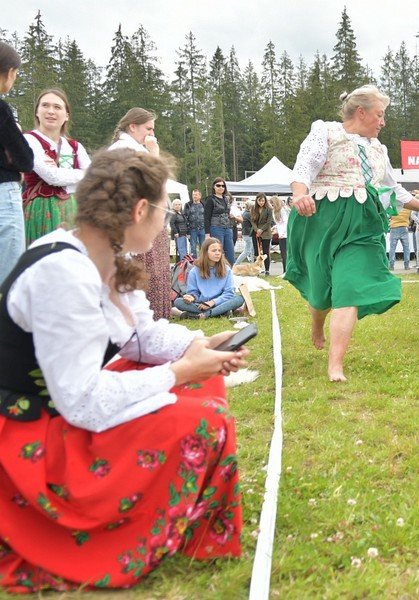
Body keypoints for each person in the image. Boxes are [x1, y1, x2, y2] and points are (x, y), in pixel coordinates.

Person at [0, 149, 247, 593]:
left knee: (204, 378)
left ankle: (165, 510)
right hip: (32, 432)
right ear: (139, 211)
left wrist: (198, 346)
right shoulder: (63, 272)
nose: (165, 224)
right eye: (164, 214)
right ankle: (117, 525)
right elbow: (81, 401)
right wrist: (179, 373)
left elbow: (141, 337)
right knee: (204, 418)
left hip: (62, 409)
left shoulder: (105, 254)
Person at [286, 84, 419, 381]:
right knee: (320, 294)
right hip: (322, 220)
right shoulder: (326, 131)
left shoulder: (379, 149)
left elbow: (393, 189)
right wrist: (299, 195)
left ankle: (335, 365)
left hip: (362, 225)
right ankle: (317, 322)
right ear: (361, 112)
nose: (383, 122)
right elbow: (304, 167)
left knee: (349, 289)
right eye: (380, 114)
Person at [108, 107, 171, 320]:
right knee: (144, 273)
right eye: (148, 129)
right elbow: (153, 183)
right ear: (132, 126)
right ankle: (145, 320)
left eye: (153, 129)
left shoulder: (135, 148)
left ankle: (155, 320)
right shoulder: (123, 149)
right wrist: (154, 153)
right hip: (136, 221)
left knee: (155, 273)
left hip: (147, 218)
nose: (152, 134)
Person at [22, 88, 91, 244]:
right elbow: (52, 177)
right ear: (37, 112)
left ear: (66, 115)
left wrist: (61, 173)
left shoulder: (75, 146)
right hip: (41, 210)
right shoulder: (29, 140)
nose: (51, 111)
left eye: (57, 107)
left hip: (72, 209)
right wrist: (82, 173)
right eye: (45, 105)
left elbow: (94, 176)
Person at [0, 42, 33, 285]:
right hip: (3, 193)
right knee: (8, 277)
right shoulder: (1, 110)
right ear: (9, 72)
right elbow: (25, 159)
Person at [173, 237, 245, 319]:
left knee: (240, 298)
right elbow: (193, 292)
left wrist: (213, 302)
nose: (218, 253)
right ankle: (220, 312)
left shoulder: (226, 269)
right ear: (205, 252)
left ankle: (205, 314)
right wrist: (191, 297)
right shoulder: (194, 271)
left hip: (220, 302)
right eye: (214, 250)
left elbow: (229, 293)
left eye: (219, 251)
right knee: (178, 302)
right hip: (201, 304)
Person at [203, 178, 235, 265]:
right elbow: (206, 217)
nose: (221, 187)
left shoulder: (226, 199)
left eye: (223, 186)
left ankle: (229, 271)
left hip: (228, 228)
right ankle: (216, 271)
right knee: (217, 253)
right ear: (214, 187)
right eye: (218, 185)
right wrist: (207, 234)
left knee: (231, 255)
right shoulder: (210, 199)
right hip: (216, 228)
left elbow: (227, 212)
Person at [250, 192, 273, 275]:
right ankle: (256, 270)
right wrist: (257, 230)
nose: (261, 202)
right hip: (255, 232)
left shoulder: (269, 209)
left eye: (263, 201)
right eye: (259, 201)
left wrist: (261, 230)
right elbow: (252, 220)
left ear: (265, 200)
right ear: (256, 200)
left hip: (266, 233)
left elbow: (269, 222)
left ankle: (267, 270)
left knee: (266, 251)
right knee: (256, 251)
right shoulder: (253, 208)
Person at [388, 201, 412, 269]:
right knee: (406, 248)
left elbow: (389, 216)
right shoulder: (408, 209)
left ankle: (391, 265)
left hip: (394, 228)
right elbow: (410, 218)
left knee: (392, 248)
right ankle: (406, 265)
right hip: (404, 227)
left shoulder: (394, 208)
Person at [270, 195, 290, 272]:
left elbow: (286, 223)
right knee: (283, 254)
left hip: (285, 235)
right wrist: (274, 228)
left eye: (273, 204)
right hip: (281, 234)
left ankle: (286, 271)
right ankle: (285, 270)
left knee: (285, 254)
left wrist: (283, 233)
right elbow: (279, 224)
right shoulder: (274, 211)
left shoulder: (283, 210)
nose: (272, 206)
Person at [184, 188, 206, 257]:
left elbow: (208, 217)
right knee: (193, 247)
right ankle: (194, 261)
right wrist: (187, 231)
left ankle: (202, 260)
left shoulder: (204, 204)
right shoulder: (188, 205)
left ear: (200, 196)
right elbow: (185, 218)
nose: (194, 196)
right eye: (193, 195)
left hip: (203, 229)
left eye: (196, 195)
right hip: (192, 229)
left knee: (203, 246)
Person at [236, 199, 256, 264]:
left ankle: (252, 264)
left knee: (251, 250)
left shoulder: (245, 213)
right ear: (251, 206)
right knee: (247, 251)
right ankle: (236, 263)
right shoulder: (249, 214)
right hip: (248, 234)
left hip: (246, 234)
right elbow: (254, 223)